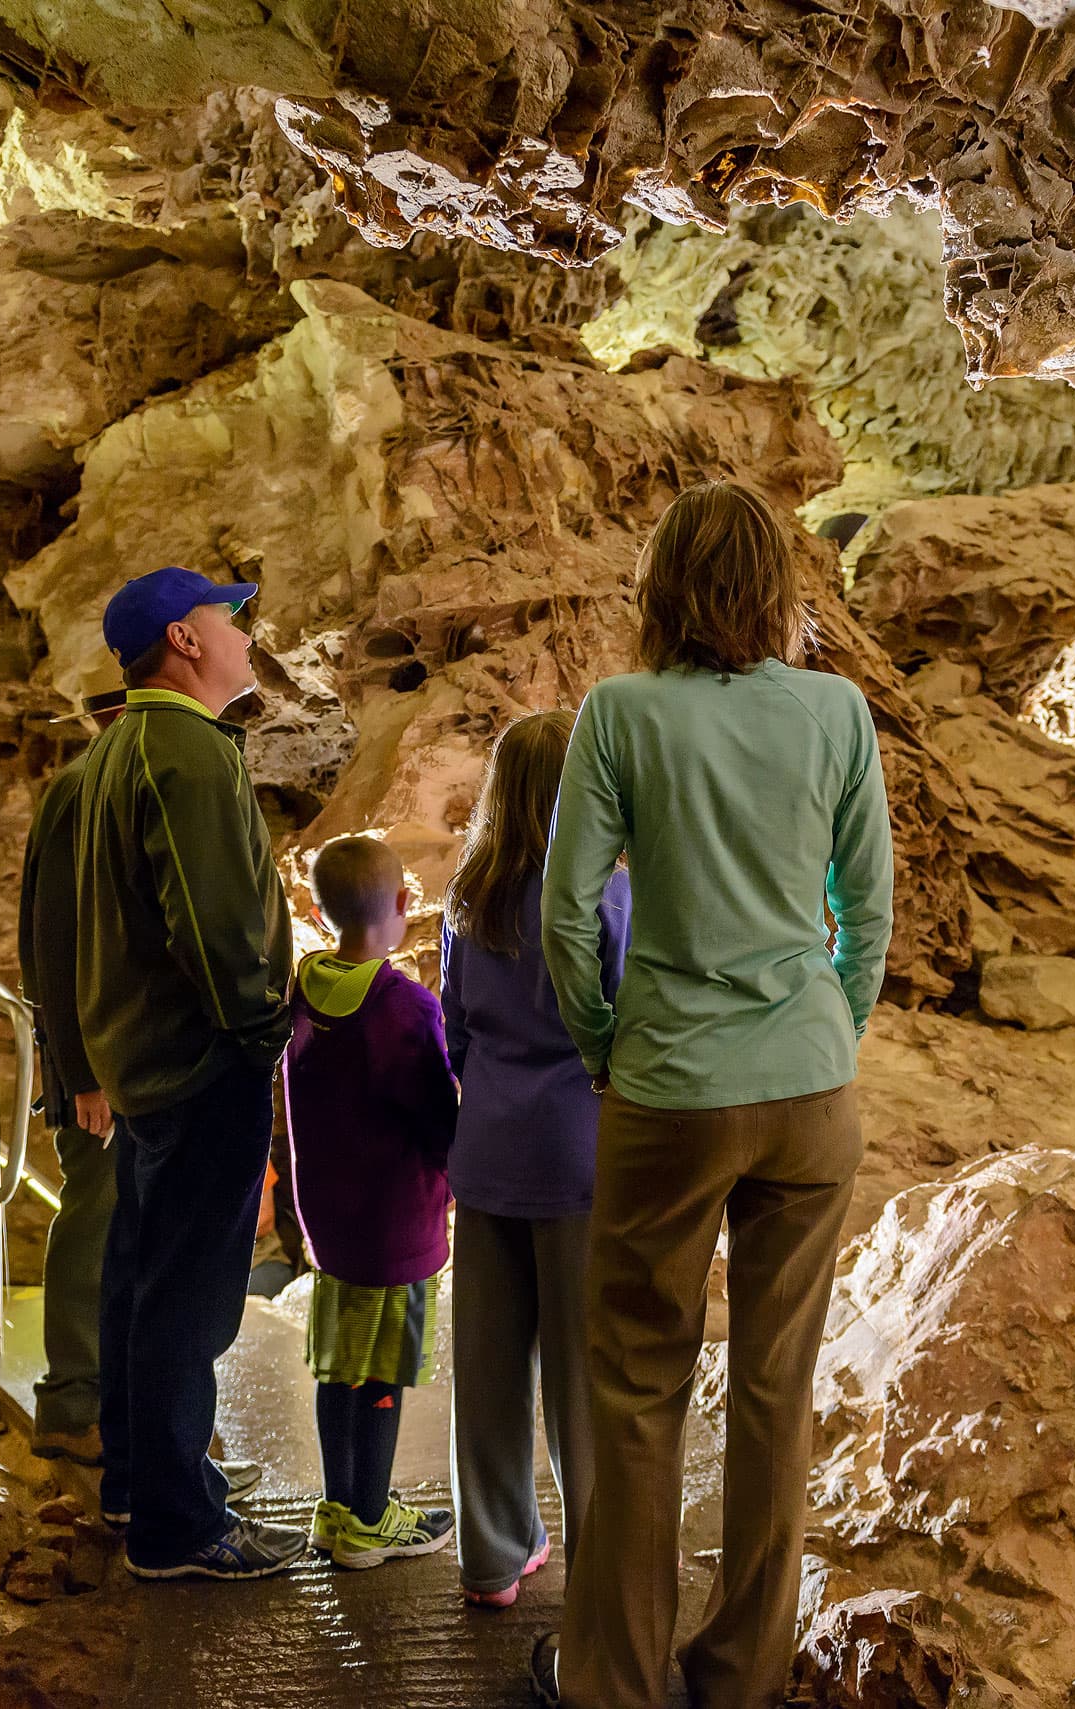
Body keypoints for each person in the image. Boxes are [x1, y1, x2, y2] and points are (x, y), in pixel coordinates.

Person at [531, 482, 894, 1708]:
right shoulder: (838, 711)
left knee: (637, 1386)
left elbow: (566, 908)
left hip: (671, 1087)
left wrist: (602, 1042)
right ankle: (741, 1671)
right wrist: (830, 1024)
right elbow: (868, 904)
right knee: (777, 1384)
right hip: (808, 1090)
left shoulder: (621, 714)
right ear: (777, 589)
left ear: (662, 588)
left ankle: (616, 1682)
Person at [75, 565, 306, 1580]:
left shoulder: (123, 745)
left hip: (144, 1056)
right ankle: (179, 1525)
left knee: (142, 1272)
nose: (245, 629)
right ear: (183, 637)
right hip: (200, 1059)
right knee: (189, 1296)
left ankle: (138, 1480)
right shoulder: (182, 748)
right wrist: (263, 1030)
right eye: (230, 614)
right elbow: (213, 925)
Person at [441, 711, 630, 1609]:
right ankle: (601, 1564)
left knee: (486, 1370)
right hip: (579, 1155)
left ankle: (491, 1557)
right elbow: (629, 1020)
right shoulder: (607, 893)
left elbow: (454, 1027)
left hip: (484, 1152)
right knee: (583, 1378)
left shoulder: (465, 897)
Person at [282, 836, 461, 1568]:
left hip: (330, 1224)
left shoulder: (302, 989)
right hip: (395, 1228)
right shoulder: (405, 1009)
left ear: (320, 912)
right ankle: (367, 1517)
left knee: (340, 1364)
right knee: (383, 1369)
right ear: (402, 907)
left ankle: (337, 1504)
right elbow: (438, 1121)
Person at [16, 687, 126, 1465]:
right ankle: (74, 1402)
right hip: (98, 1060)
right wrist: (85, 1069)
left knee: (114, 1216)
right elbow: (57, 938)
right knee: (98, 1211)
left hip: (105, 1053)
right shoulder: (88, 788)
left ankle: (111, 1402)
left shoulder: (95, 784)